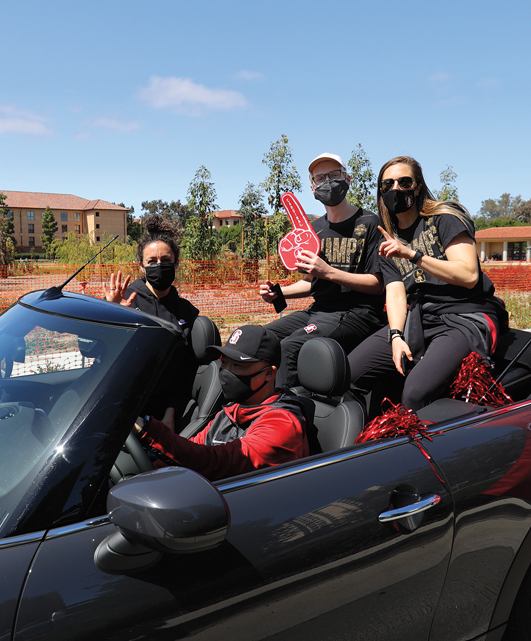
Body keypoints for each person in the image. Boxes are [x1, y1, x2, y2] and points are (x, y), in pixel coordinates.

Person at [347, 156, 508, 412]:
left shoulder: (444, 218)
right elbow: (396, 291)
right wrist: (396, 336)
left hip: (463, 315)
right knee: (348, 374)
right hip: (420, 317)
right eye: (387, 185)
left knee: (414, 393)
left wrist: (413, 255)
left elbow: (469, 276)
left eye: (404, 182)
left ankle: (482, 430)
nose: (395, 189)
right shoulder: (387, 238)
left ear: (418, 186)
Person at [259, 152, 386, 388]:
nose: (327, 182)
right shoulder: (312, 230)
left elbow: (378, 285)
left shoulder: (370, 223)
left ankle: (287, 414)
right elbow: (312, 282)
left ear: (347, 179)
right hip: (319, 311)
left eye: (334, 175)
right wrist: (278, 293)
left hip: (358, 314)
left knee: (290, 347)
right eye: (320, 178)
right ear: (312, 187)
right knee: (259, 339)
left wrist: (329, 272)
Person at [138, 325, 309, 481]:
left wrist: (148, 429)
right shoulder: (233, 410)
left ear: (269, 374)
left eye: (238, 365)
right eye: (224, 362)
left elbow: (216, 462)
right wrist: (146, 474)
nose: (226, 372)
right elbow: (192, 448)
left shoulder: (282, 424)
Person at [105, 215, 200, 427]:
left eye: (166, 261)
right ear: (141, 266)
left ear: (176, 262)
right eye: (152, 262)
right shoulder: (123, 300)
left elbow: (183, 371)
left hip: (161, 415)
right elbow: (94, 353)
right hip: (118, 406)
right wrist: (112, 315)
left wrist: (170, 414)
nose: (159, 266)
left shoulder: (187, 312)